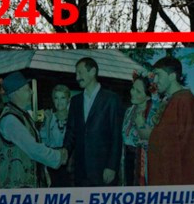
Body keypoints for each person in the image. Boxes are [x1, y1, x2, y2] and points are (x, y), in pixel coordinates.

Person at [0, 72, 67, 188]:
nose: (31, 92)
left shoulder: (22, 115)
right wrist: (59, 156)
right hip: (17, 189)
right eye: (27, 89)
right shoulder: (10, 120)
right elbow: (33, 149)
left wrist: (44, 172)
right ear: (16, 93)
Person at [146, 56, 194, 186]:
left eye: (158, 75)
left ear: (172, 76)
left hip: (178, 187)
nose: (155, 80)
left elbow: (189, 150)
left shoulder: (185, 101)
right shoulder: (173, 101)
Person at [64, 56, 122, 187]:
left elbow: (116, 135)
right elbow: (71, 131)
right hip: (80, 171)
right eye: (76, 73)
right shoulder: (75, 101)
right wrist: (64, 151)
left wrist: (112, 166)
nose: (77, 77)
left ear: (93, 71)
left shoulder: (111, 99)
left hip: (103, 170)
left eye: (80, 72)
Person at [121, 73, 155, 185]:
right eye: (133, 88)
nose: (133, 93)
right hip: (128, 162)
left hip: (145, 164)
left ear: (148, 96)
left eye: (138, 91)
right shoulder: (129, 111)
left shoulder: (154, 114)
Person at [42, 84, 73, 187]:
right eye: (56, 98)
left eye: (63, 98)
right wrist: (47, 121)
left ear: (68, 99)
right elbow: (44, 144)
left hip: (70, 165)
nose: (59, 102)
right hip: (53, 164)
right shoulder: (49, 117)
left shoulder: (74, 118)